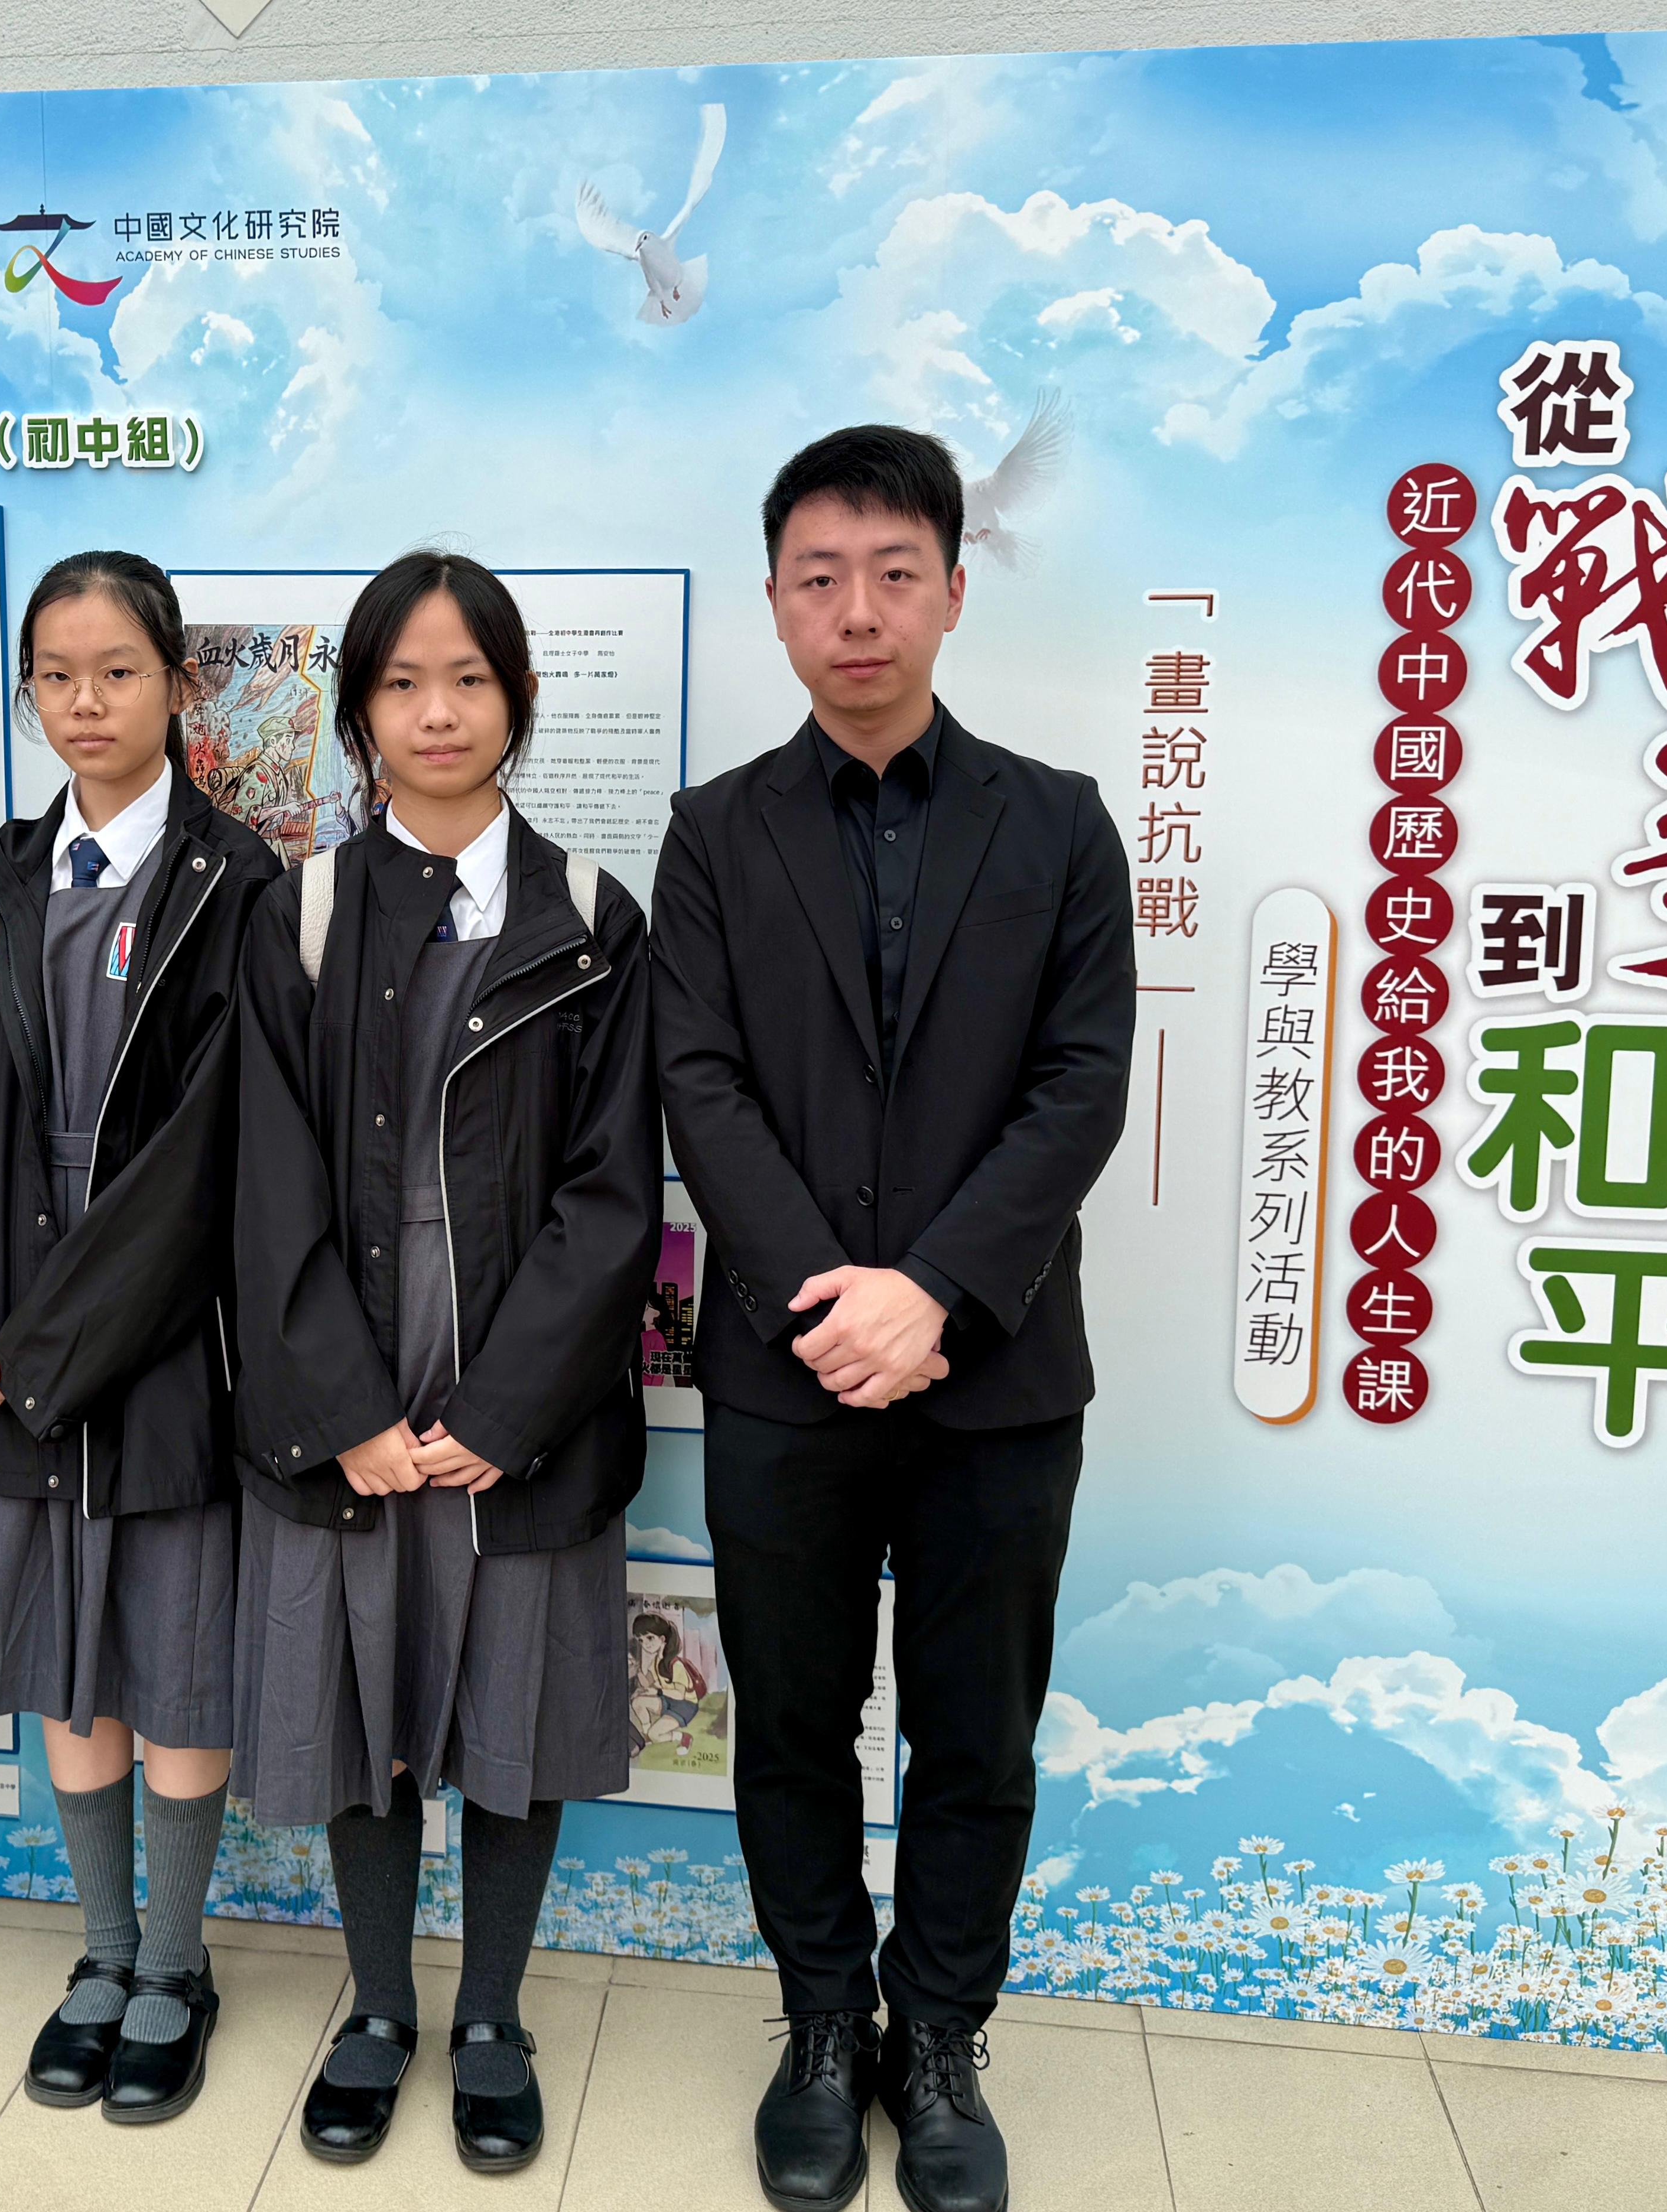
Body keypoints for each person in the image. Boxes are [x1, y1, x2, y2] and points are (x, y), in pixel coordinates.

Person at [652, 425, 1136, 2212]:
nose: (857, 611)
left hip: (994, 1372)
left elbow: (1082, 1084)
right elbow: (701, 1083)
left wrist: (932, 1291)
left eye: (893, 574)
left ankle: (937, 2039)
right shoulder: (715, 834)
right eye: (820, 578)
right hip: (788, 1377)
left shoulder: (1058, 822)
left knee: (975, 1734)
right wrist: (831, 1306)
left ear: (950, 590)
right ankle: (818, 2028)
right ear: (779, 605)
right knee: (788, 1723)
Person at [231, 551, 663, 2175]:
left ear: (518, 700)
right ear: (358, 712)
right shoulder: (303, 910)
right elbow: (263, 1177)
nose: (437, 713)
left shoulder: (594, 916)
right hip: (343, 1367)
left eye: (468, 680)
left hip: (520, 1389)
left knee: (512, 1713)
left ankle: (490, 2016)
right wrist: (344, 1411)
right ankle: (375, 2010)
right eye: (402, 684)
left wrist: (504, 1410)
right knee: (363, 1707)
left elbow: (616, 1194)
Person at [0, 550, 279, 2123]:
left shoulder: (239, 882)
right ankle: (106, 1951)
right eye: (56, 676)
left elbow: (216, 1154)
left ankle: (180, 1968)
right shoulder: (5, 877)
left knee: (175, 1658)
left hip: (171, 1339)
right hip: (14, 1329)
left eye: (118, 671)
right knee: (70, 1666)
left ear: (178, 686)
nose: (86, 702)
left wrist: (62, 1343)